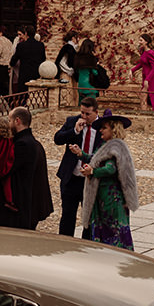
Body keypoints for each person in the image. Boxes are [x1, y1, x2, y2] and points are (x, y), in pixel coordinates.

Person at [76, 110, 137, 250]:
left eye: (104, 128)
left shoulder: (115, 147)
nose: (101, 131)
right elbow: (96, 159)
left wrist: (93, 171)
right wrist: (81, 154)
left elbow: (111, 168)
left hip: (112, 199)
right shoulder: (106, 145)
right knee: (105, 229)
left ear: (113, 129)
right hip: (103, 195)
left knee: (113, 231)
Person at [52, 101, 102, 237]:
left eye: (88, 114)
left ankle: (86, 247)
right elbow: (57, 139)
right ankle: (65, 245)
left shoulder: (103, 127)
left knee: (89, 218)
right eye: (82, 112)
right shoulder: (73, 121)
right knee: (67, 215)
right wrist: (74, 131)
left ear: (96, 113)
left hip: (91, 179)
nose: (84, 116)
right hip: (72, 178)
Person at [6, 107, 56, 229]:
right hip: (31, 206)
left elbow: (10, 171)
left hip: (25, 207)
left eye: (9, 120)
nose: (8, 124)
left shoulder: (23, 144)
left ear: (17, 121)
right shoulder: (34, 143)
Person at [71, 38, 106, 105]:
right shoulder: (91, 58)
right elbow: (95, 73)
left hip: (80, 85)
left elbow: (76, 72)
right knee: (91, 106)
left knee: (81, 105)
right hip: (90, 86)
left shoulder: (77, 57)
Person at [136, 34, 154, 113]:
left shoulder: (151, 53)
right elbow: (142, 64)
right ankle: (144, 116)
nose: (139, 42)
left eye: (141, 40)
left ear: (146, 42)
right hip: (146, 77)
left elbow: (153, 68)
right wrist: (132, 70)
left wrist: (147, 79)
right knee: (143, 96)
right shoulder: (143, 52)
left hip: (152, 78)